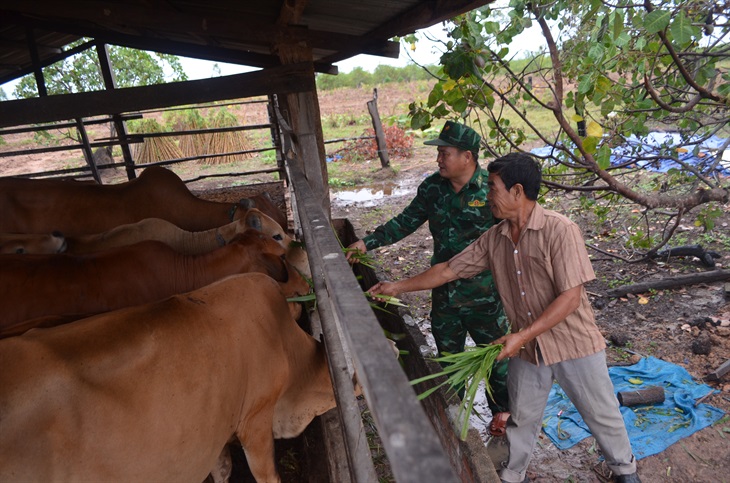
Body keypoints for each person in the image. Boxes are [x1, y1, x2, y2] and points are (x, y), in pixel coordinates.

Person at [369, 153, 640, 483]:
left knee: (601, 412)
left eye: (493, 188)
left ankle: (625, 471)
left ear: (517, 191)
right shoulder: (495, 237)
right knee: (521, 416)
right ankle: (513, 475)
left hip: (573, 343)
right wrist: (396, 287)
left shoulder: (560, 230)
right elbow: (448, 270)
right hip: (527, 349)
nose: (486, 195)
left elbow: (570, 298)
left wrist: (521, 336)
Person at [346, 120, 510, 436]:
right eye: (438, 153)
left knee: (498, 366)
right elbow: (406, 221)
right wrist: (367, 242)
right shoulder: (433, 188)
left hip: (487, 299)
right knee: (450, 366)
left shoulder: (491, 190)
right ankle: (460, 429)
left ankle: (503, 415)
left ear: (467, 156)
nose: (438, 159)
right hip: (445, 295)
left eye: (444, 153)